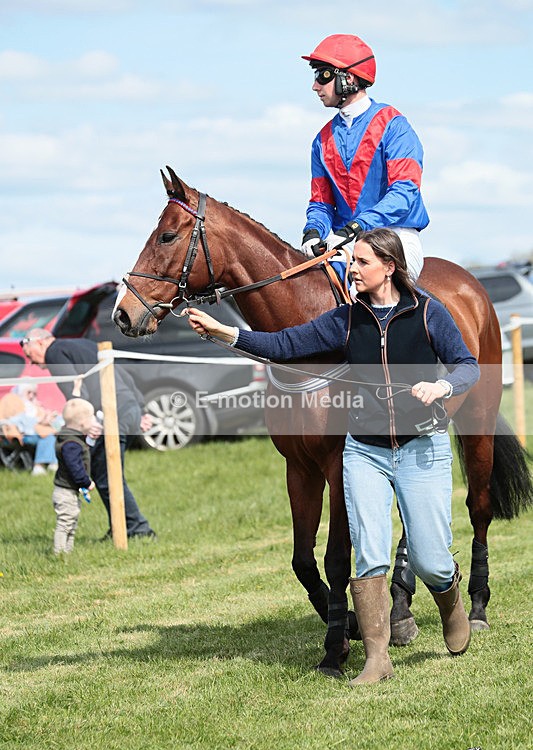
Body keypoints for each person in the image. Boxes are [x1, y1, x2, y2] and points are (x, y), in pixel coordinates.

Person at [183, 228, 480, 686]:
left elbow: (467, 366)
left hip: (422, 449)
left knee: (429, 559)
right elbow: (283, 345)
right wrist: (225, 332)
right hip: (365, 452)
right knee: (369, 556)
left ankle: (448, 594)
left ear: (389, 267)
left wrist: (442, 386)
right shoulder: (344, 320)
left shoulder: (428, 314)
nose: (350, 270)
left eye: (360, 262)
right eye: (351, 262)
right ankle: (376, 659)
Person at [300, 34, 429, 283]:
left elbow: (404, 192)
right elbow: (321, 203)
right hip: (344, 240)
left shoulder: (395, 126)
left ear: (347, 78)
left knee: (363, 282)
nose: (315, 86)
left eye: (322, 75)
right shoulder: (322, 139)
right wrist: (314, 231)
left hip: (394, 236)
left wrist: (357, 227)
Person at [20, 331, 156, 541]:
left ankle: (137, 528)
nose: (32, 363)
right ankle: (123, 526)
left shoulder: (54, 353)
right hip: (128, 409)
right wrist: (139, 408)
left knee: (105, 475)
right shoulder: (83, 344)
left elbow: (74, 399)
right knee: (109, 473)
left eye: (30, 355)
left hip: (111, 413)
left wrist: (86, 422)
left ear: (40, 342)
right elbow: (122, 374)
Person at [53, 398, 96, 555]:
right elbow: (75, 467)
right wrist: (86, 482)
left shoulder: (70, 437)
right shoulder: (71, 443)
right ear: (83, 422)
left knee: (72, 522)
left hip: (69, 491)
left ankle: (67, 553)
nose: (94, 421)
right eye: (92, 417)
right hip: (66, 492)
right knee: (65, 523)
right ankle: (59, 554)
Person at [0, 382, 59, 475]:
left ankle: (45, 465)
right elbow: (11, 419)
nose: (32, 396)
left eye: (34, 393)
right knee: (47, 435)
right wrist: (38, 420)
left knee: (50, 435)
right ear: (21, 391)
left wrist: (46, 417)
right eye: (29, 392)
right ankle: (43, 465)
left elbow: (42, 419)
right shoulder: (11, 399)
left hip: (35, 433)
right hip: (19, 433)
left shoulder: (35, 405)